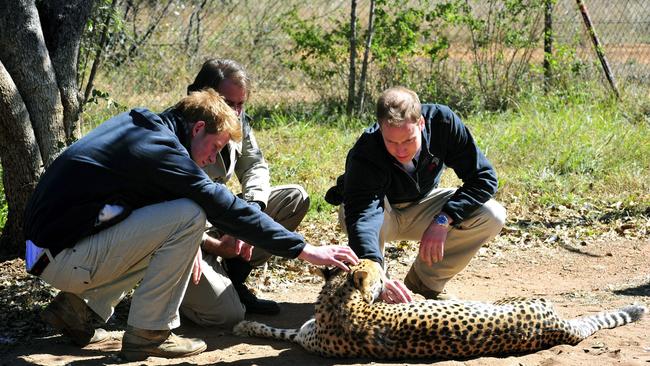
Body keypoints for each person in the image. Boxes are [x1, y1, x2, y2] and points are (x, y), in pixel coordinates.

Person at [23, 89, 358, 361]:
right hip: (60, 255)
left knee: (185, 219)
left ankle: (77, 311)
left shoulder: (144, 127)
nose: (213, 158)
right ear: (198, 128)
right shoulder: (160, 149)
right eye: (215, 147)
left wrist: (185, 246)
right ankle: (149, 333)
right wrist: (305, 250)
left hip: (49, 251)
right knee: (191, 214)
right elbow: (221, 206)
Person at [325, 86, 505, 304]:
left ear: (421, 123)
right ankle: (378, 292)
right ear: (381, 128)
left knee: (492, 214)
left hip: (424, 206)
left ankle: (424, 283)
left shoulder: (442, 123)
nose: (401, 150)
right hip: (381, 212)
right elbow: (364, 216)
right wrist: (376, 273)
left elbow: (484, 178)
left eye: (408, 140)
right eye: (391, 142)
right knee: (353, 212)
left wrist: (444, 219)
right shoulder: (365, 151)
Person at [179, 58, 309, 325]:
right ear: (204, 96)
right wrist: (215, 244)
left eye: (241, 104)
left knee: (293, 199)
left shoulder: (237, 121)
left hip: (220, 215)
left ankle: (234, 281)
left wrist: (251, 212)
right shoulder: (179, 130)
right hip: (186, 234)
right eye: (229, 103)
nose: (236, 112)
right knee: (228, 315)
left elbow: (255, 166)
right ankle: (185, 297)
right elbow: (172, 217)